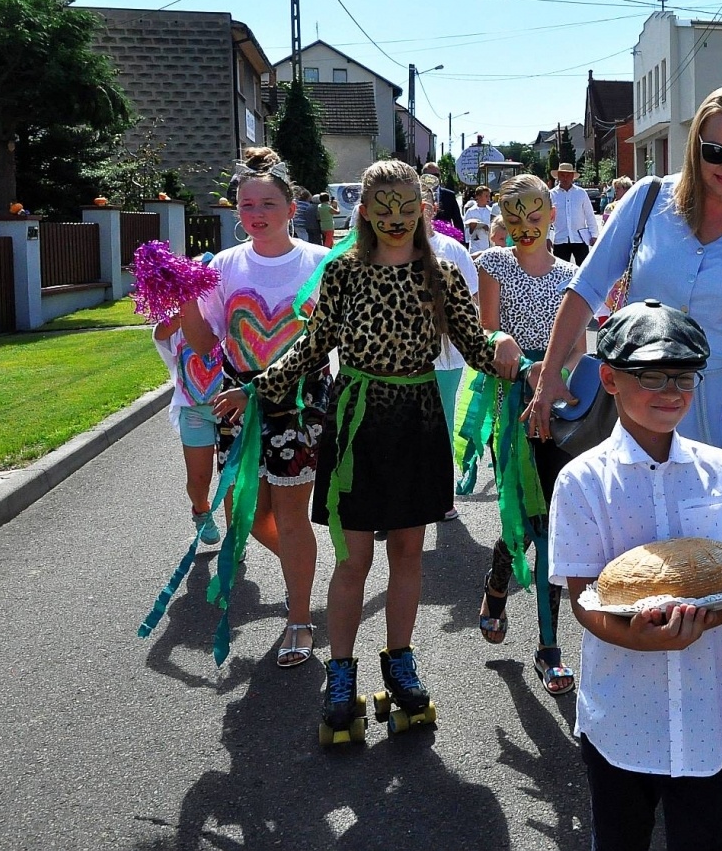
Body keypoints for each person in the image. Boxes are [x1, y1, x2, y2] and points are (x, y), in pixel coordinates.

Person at [223, 160, 520, 742]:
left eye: (407, 208)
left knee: (409, 553)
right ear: (363, 211)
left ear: (423, 210)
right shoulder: (344, 272)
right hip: (357, 424)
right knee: (354, 559)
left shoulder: (442, 275)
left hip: (418, 422)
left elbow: (474, 344)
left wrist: (509, 351)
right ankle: (340, 672)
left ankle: (401, 663)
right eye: (383, 208)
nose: (396, 219)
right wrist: (259, 388)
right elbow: (312, 349)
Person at [529, 86, 722, 520]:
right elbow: (587, 288)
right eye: (715, 151)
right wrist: (550, 374)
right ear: (695, 144)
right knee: (636, 546)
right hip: (641, 404)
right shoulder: (647, 199)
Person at [550, 300, 722, 851]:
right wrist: (636, 638)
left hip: (705, 712)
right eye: (650, 375)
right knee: (620, 840)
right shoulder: (581, 481)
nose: (671, 390)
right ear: (610, 378)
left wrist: (708, 617)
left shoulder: (720, 470)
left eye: (683, 375)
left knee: (704, 840)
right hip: (621, 716)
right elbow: (582, 598)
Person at [178, 147, 329, 669]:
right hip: (237, 405)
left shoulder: (317, 262)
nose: (256, 213)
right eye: (246, 205)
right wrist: (183, 299)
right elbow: (203, 344)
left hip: (299, 403)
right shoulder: (223, 265)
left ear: (292, 207)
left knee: (290, 515)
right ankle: (303, 578)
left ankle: (300, 615)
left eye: (267, 202)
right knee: (249, 514)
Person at [474, 174, 587, 696]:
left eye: (534, 213)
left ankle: (549, 649)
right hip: (511, 411)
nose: (525, 225)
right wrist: (503, 348)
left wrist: (558, 376)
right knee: (521, 525)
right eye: (513, 215)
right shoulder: (494, 265)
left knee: (552, 529)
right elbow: (487, 334)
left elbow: (579, 348)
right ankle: (499, 584)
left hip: (560, 415)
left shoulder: (572, 275)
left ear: (553, 215)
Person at [421, 176, 478, 523]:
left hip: (445, 356)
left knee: (440, 423)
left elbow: (471, 300)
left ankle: (442, 496)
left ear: (431, 210)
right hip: (402, 358)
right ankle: (402, 498)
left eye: (420, 207)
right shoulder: (387, 248)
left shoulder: (452, 249)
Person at [152, 304, 224, 546]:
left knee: (233, 479)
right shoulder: (178, 315)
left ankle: (236, 536)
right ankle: (201, 512)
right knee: (199, 477)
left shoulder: (227, 307)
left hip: (233, 410)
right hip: (194, 409)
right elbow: (160, 333)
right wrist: (186, 306)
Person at [549, 161, 599, 265]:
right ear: (558, 176)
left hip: (580, 239)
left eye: (568, 175)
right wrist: (547, 238)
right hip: (560, 239)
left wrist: (594, 234)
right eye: (562, 175)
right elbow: (547, 219)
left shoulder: (581, 193)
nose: (565, 178)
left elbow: (589, 214)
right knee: (561, 271)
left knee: (582, 269)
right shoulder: (551, 195)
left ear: (573, 177)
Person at [422, 161, 465, 236]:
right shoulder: (417, 195)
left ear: (440, 176)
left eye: (436, 175)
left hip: (445, 238)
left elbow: (457, 220)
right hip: (423, 238)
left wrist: (461, 241)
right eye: (430, 175)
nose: (433, 178)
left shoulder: (449, 195)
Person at [464, 185, 498, 253]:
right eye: (486, 196)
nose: (488, 198)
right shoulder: (471, 212)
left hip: (488, 246)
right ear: (478, 197)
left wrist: (488, 228)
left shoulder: (491, 211)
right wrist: (472, 228)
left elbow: (496, 227)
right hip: (475, 247)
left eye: (489, 196)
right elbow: (466, 231)